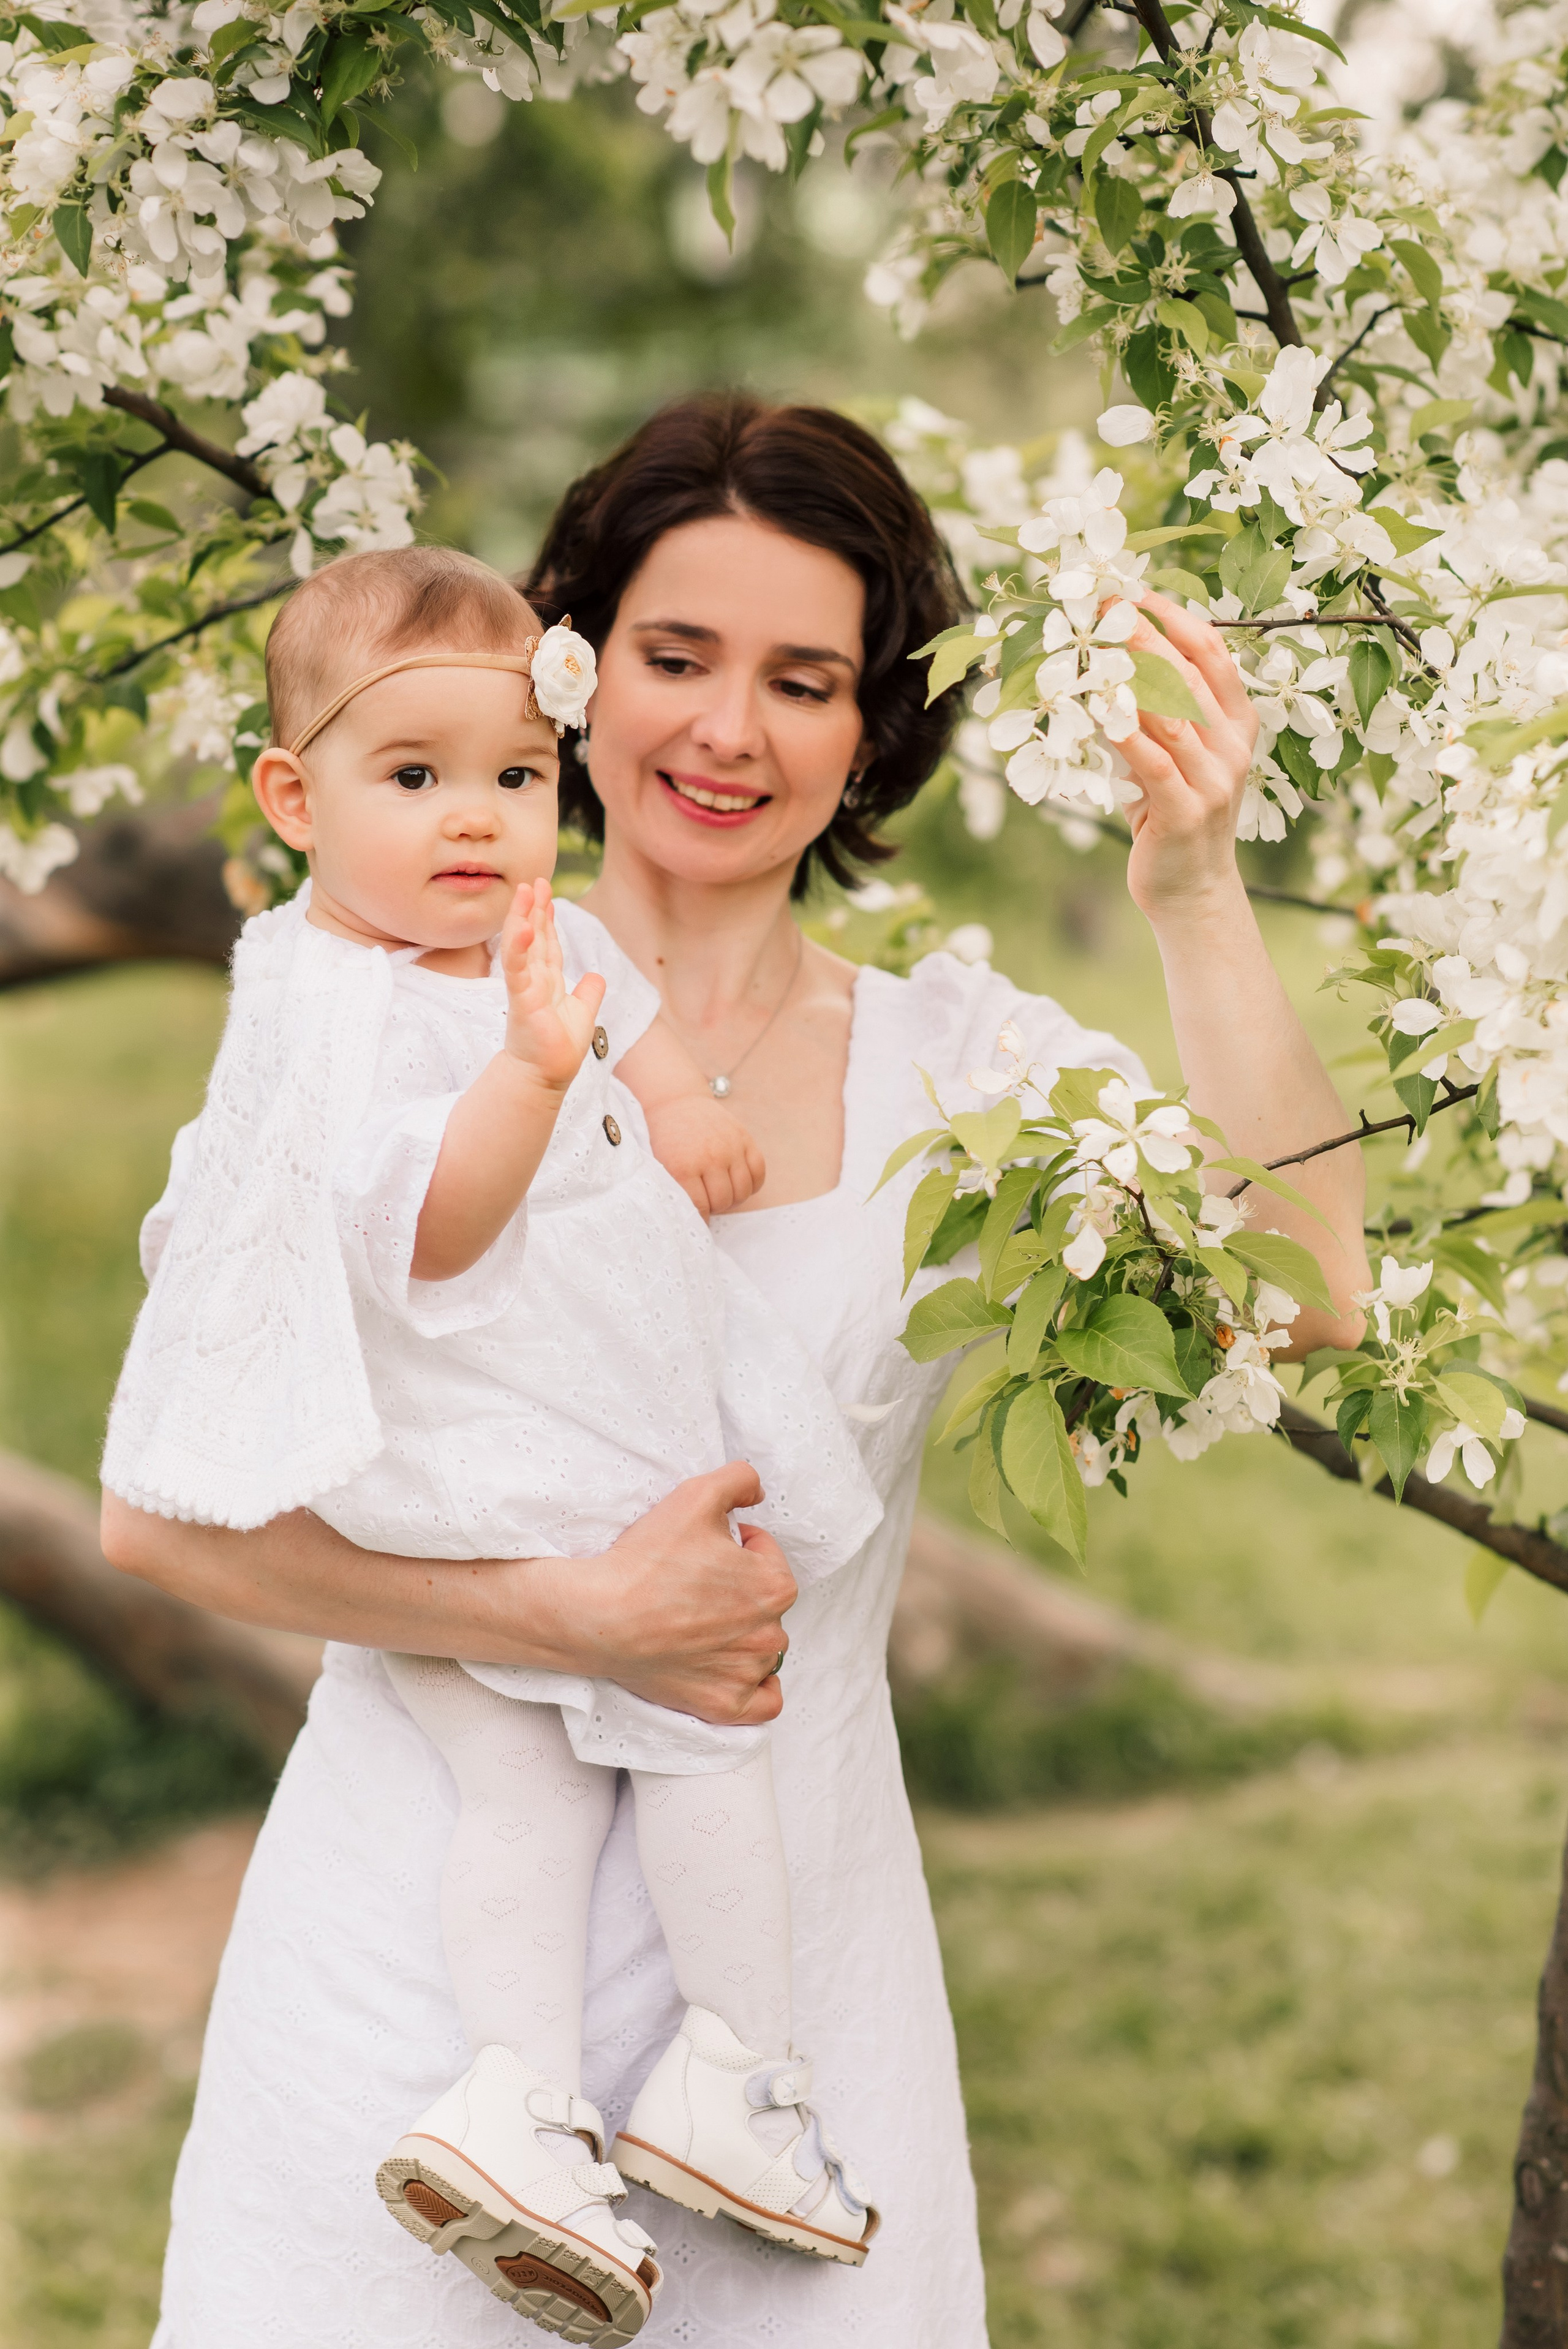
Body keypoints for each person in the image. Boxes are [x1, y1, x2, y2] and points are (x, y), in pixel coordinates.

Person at [103, 393, 1370, 2349]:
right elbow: (168, 1519)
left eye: (806, 680)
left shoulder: (952, 1064)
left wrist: (1196, 895)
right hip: (415, 1979)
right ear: (573, 667)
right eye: (676, 657)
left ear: (872, 731)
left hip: (792, 1993)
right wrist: (571, 1611)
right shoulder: (359, 1017)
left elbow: (1307, 1297)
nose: (726, 730)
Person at [101, 544, 884, 2343]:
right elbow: (429, 1235)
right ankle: (680, 2077)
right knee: (679, 1731)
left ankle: (581, 2094)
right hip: (469, 1477)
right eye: (418, 779)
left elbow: (633, 1011)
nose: (481, 823)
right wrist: (533, 1076)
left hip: (572, 1441)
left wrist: (674, 1107)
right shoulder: (335, 1015)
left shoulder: (538, 937)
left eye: (518, 779)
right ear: (294, 797)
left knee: (596, 1763)